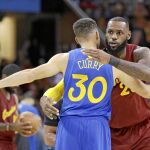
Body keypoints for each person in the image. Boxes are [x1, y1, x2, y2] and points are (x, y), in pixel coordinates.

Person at [0, 18, 150, 150]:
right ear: (98, 35)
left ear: (77, 39)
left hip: (69, 124)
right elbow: (145, 91)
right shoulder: (111, 64)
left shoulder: (64, 59)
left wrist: (2, 83)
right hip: (97, 126)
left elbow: (29, 74)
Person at [0, 64, 32, 150]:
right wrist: (10, 126)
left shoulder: (14, 97)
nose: (17, 85)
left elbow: (16, 122)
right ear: (4, 77)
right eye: (15, 81)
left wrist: (24, 124)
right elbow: (12, 126)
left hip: (12, 143)